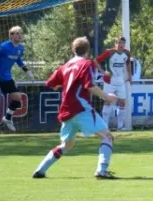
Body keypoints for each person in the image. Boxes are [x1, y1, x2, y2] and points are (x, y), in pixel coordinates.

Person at [32, 37, 119, 179]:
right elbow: (89, 85)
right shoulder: (87, 64)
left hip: (66, 109)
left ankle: (40, 170)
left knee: (66, 145)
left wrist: (67, 84)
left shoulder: (65, 66)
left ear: (73, 50)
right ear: (88, 50)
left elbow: (51, 84)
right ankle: (102, 171)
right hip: (81, 107)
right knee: (107, 137)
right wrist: (106, 96)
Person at [94, 37, 132, 131]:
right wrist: (103, 72)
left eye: (123, 43)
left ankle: (120, 127)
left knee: (122, 102)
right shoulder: (109, 53)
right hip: (109, 81)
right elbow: (95, 61)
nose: (121, 45)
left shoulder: (126, 53)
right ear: (115, 44)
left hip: (120, 81)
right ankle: (104, 127)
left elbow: (128, 63)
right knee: (107, 101)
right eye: (119, 43)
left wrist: (130, 76)